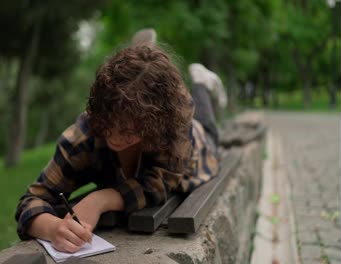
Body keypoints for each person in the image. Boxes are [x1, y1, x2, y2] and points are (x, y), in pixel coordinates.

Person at [14, 28, 227, 253]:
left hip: (198, 149)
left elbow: (161, 184)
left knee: (211, 131)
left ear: (152, 126)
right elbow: (30, 201)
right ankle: (145, 58)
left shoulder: (175, 118)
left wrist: (101, 199)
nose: (114, 136)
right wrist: (53, 228)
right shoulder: (82, 136)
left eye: (128, 130)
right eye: (109, 123)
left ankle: (201, 80)